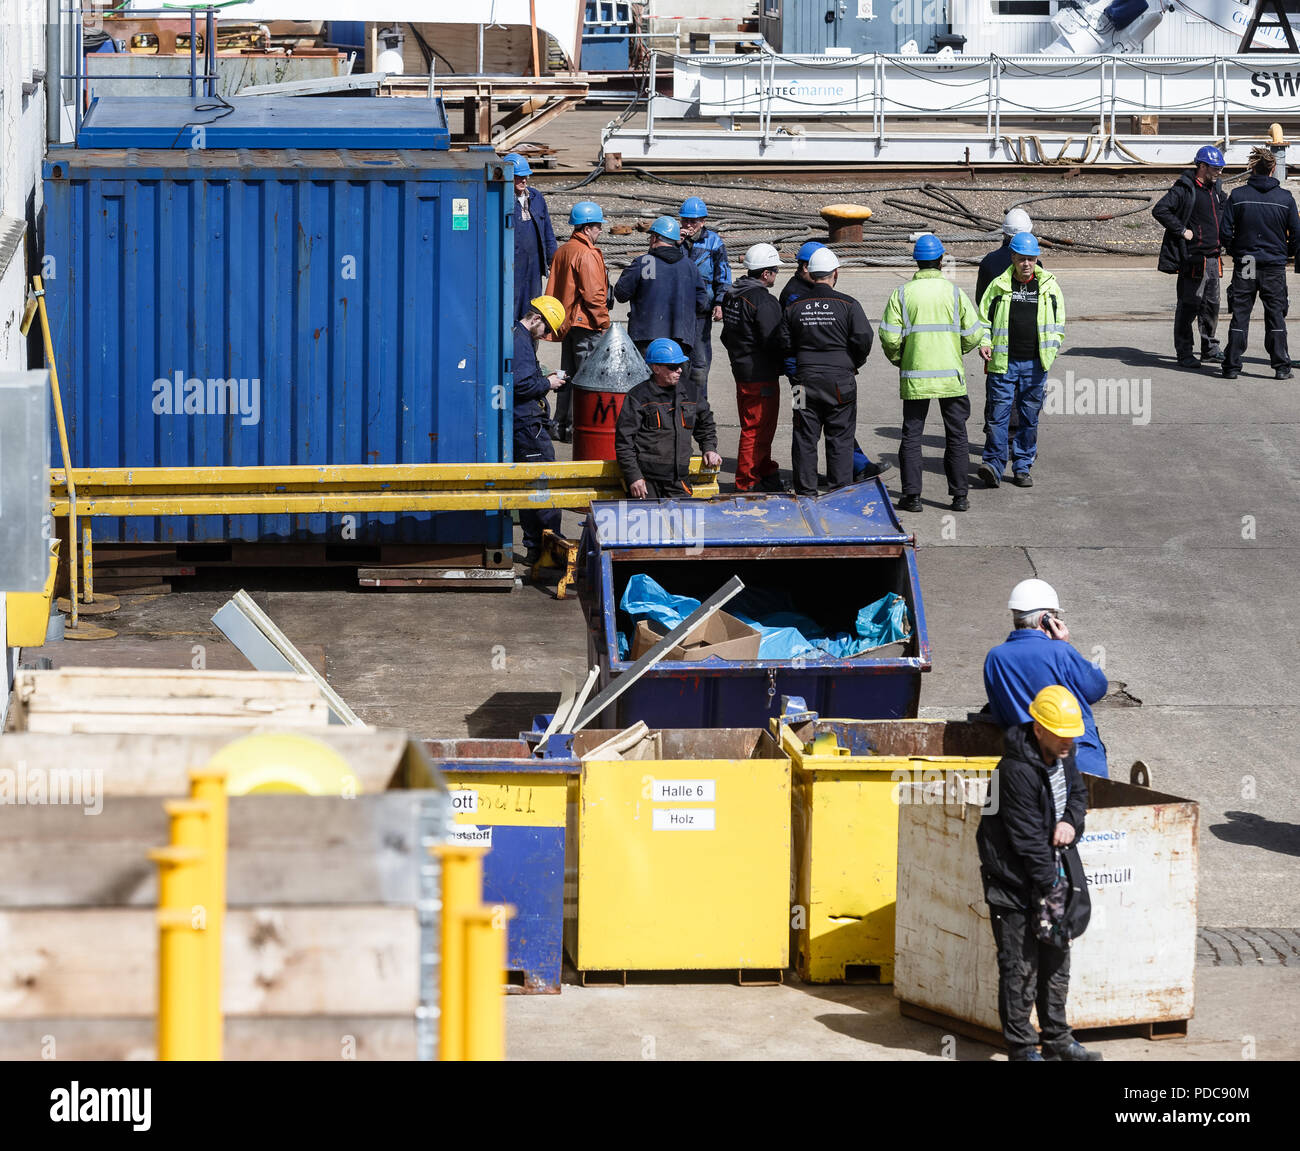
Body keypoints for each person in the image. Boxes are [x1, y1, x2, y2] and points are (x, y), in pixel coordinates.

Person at [977, 685, 1101, 1063]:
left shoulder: (1063, 756)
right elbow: (1026, 837)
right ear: (1038, 729)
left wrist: (1069, 823)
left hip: (1050, 876)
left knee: (1056, 959)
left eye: (1072, 736)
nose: (1068, 743)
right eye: (1062, 735)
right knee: (1020, 966)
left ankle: (1057, 1039)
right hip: (1013, 882)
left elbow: (1078, 797)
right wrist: (1050, 885)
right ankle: (1022, 1047)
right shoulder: (1015, 770)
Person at [880, 234, 983, 514]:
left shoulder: (902, 294)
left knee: (912, 436)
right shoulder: (954, 293)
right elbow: (974, 335)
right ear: (940, 260)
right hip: (951, 377)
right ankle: (959, 496)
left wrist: (901, 359)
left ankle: (912, 497)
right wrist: (954, 349)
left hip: (915, 377)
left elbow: (889, 338)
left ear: (916, 261)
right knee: (957, 436)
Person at [779, 240, 887, 482]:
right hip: (840, 380)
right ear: (835, 273)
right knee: (840, 436)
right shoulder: (848, 304)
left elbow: (784, 343)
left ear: (810, 271)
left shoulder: (793, 305)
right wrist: (850, 364)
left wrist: (797, 372)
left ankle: (805, 491)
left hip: (802, 381)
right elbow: (863, 339)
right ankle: (840, 490)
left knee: (803, 435)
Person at [983, 578, 1110, 778]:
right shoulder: (1060, 652)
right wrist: (1065, 645)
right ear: (1046, 618)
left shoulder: (995, 658)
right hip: (1080, 757)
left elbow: (1000, 716)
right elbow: (1097, 688)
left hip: (1030, 763)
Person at [977, 232, 1066, 489]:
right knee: (998, 416)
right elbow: (984, 319)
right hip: (1003, 362)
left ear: (1037, 258)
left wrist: (1053, 347)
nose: (1027, 264)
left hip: (1035, 365)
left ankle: (1022, 466)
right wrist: (985, 342)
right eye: (1022, 259)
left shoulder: (1049, 286)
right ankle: (993, 464)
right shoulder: (998, 286)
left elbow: (1059, 323)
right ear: (1013, 257)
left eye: (1031, 259)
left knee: (1029, 417)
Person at [1220, 144, 1300, 380]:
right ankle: (1281, 367)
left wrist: (1236, 251)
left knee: (1241, 314)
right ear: (1273, 168)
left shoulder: (1238, 196)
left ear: (1252, 168)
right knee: (1275, 315)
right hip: (1273, 265)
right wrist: (1285, 254)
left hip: (1246, 262)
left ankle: (1232, 367)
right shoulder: (1285, 198)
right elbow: (1296, 234)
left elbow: (1225, 231)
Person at [614, 338, 721, 499]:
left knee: (681, 524)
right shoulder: (638, 397)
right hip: (646, 482)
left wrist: (709, 447)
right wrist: (634, 476)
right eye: (673, 367)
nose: (679, 370)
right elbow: (624, 442)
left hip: (679, 480)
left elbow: (705, 424)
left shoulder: (691, 392)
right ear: (656, 368)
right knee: (647, 524)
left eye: (681, 365)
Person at [1152, 145, 1228, 369]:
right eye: (1216, 168)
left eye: (1221, 168)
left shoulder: (1216, 190)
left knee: (1211, 306)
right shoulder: (1184, 189)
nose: (1220, 172)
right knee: (1188, 306)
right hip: (1193, 258)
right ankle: (1184, 352)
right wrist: (1181, 230)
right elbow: (1161, 210)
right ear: (1202, 167)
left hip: (1213, 258)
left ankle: (1210, 348)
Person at [720, 242, 786, 493]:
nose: (776, 275)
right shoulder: (763, 301)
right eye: (775, 271)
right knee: (756, 429)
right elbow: (775, 340)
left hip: (743, 371)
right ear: (766, 273)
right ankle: (747, 482)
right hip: (761, 375)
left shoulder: (733, 294)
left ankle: (765, 468)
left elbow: (727, 336)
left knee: (760, 427)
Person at [546, 200, 611, 442]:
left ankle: (560, 425)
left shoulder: (563, 251)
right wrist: (604, 323)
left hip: (567, 325)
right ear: (586, 228)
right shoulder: (587, 253)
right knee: (586, 379)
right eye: (597, 227)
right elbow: (594, 295)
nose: (600, 231)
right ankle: (577, 429)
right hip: (586, 325)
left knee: (567, 377)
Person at [512, 296, 566, 565]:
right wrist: (548, 383)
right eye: (546, 330)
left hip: (526, 424)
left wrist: (545, 377)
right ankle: (551, 549)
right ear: (536, 319)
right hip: (528, 425)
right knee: (543, 486)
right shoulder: (520, 342)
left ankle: (536, 548)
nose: (546, 336)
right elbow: (520, 387)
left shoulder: (519, 336)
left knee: (530, 487)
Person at [614, 216, 709, 364]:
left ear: (655, 238)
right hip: (681, 339)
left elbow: (621, 293)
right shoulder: (689, 266)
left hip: (646, 337)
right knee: (677, 382)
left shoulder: (645, 263)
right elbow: (702, 302)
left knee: (645, 384)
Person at [678, 197, 732, 403]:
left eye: (693, 221)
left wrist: (719, 302)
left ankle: (700, 403)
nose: (689, 225)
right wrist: (676, 243)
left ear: (702, 221)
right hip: (678, 312)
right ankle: (681, 402)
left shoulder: (714, 242)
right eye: (685, 221)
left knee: (699, 361)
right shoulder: (674, 239)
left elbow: (723, 273)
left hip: (701, 311)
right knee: (680, 360)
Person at [505, 152, 558, 324]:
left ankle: (530, 348)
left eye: (525, 176)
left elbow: (547, 231)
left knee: (533, 311)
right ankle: (510, 347)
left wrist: (553, 260)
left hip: (534, 268)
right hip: (511, 268)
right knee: (511, 310)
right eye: (518, 177)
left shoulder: (536, 198)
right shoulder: (500, 201)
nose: (523, 181)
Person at [975, 207, 1036, 307]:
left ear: (1004, 233)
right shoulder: (1034, 264)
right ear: (1029, 233)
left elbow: (981, 300)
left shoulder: (988, 261)